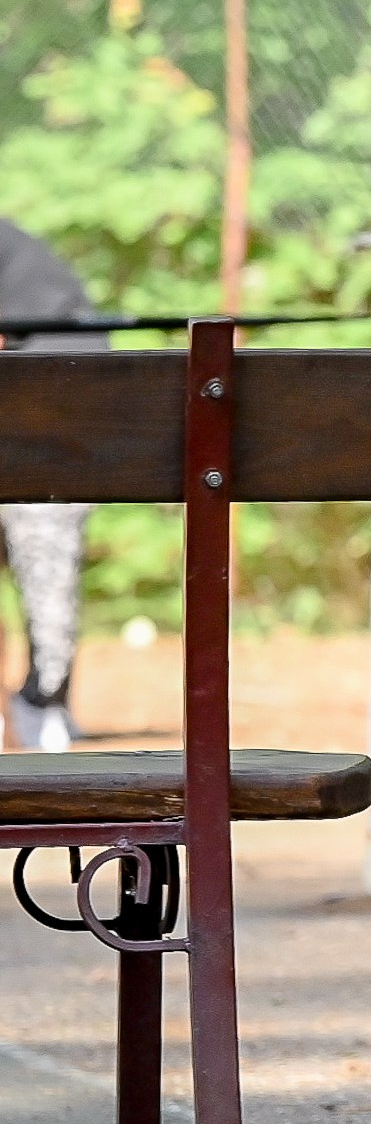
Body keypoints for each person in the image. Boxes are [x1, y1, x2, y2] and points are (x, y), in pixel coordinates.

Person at [0, 218, 109, 752]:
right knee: (49, 571)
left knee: (45, 546)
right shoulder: (29, 256)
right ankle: (45, 699)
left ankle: (43, 699)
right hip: (64, 434)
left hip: (41, 431)